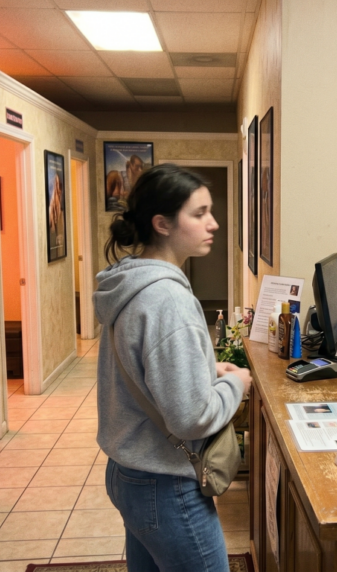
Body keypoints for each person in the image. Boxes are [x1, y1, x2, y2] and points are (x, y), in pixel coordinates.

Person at [95, 164, 253, 571]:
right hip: (165, 484)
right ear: (162, 223)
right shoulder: (168, 301)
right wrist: (237, 385)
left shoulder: (131, 284)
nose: (213, 223)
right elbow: (192, 418)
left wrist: (202, 367)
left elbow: (143, 370)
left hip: (129, 472)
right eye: (199, 214)